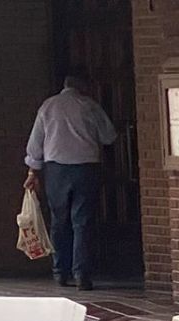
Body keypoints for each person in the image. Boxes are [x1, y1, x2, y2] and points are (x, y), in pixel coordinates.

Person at [23, 75, 118, 291]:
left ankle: (60, 271)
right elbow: (108, 136)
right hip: (86, 168)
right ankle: (82, 273)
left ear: (65, 84)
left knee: (59, 221)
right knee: (82, 222)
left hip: (56, 169)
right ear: (83, 85)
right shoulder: (90, 106)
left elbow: (35, 143)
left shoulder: (48, 107)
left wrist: (32, 172)